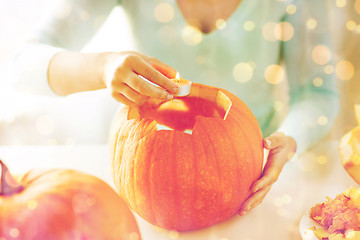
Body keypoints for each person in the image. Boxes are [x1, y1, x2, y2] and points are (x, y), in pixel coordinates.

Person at [10, 0, 338, 216]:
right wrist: (102, 66)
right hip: (146, 171)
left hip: (254, 177)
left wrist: (290, 138)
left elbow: (317, 92)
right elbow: (23, 64)